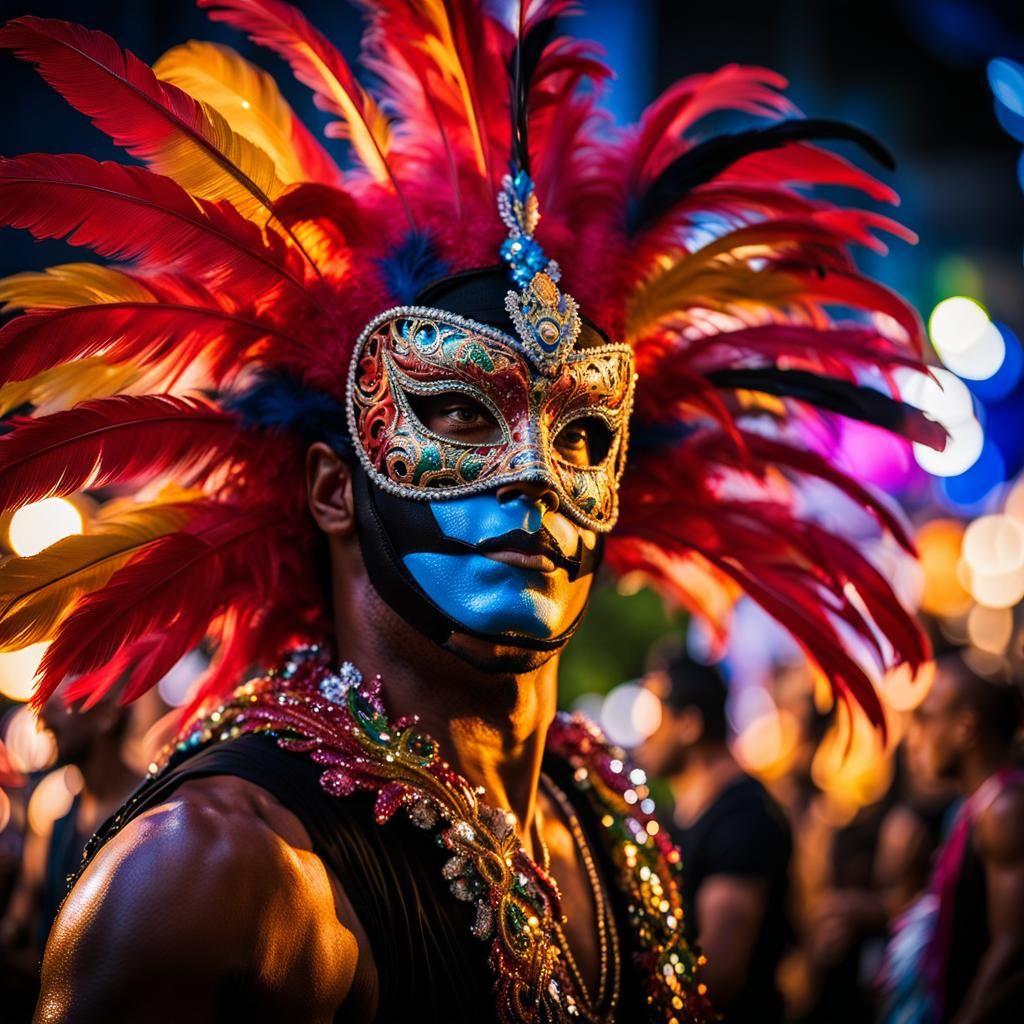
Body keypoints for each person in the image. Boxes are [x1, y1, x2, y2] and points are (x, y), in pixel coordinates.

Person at [0, 1, 942, 1020]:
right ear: (330, 490)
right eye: (456, 413)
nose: (537, 474)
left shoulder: (604, 816)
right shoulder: (216, 876)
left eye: (582, 434)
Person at [635, 653, 792, 1024]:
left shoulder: (743, 820)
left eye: (652, 715)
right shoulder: (678, 813)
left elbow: (718, 978)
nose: (642, 732)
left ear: (689, 724)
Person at [906, 652, 1024, 1024]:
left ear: (965, 727)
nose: (915, 740)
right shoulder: (976, 806)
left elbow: (1013, 948)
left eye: (925, 719)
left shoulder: (1004, 811)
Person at [0, 685, 139, 989]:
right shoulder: (52, 824)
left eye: (58, 699)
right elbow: (17, 928)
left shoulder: (155, 818)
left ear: (107, 713)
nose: (41, 714)